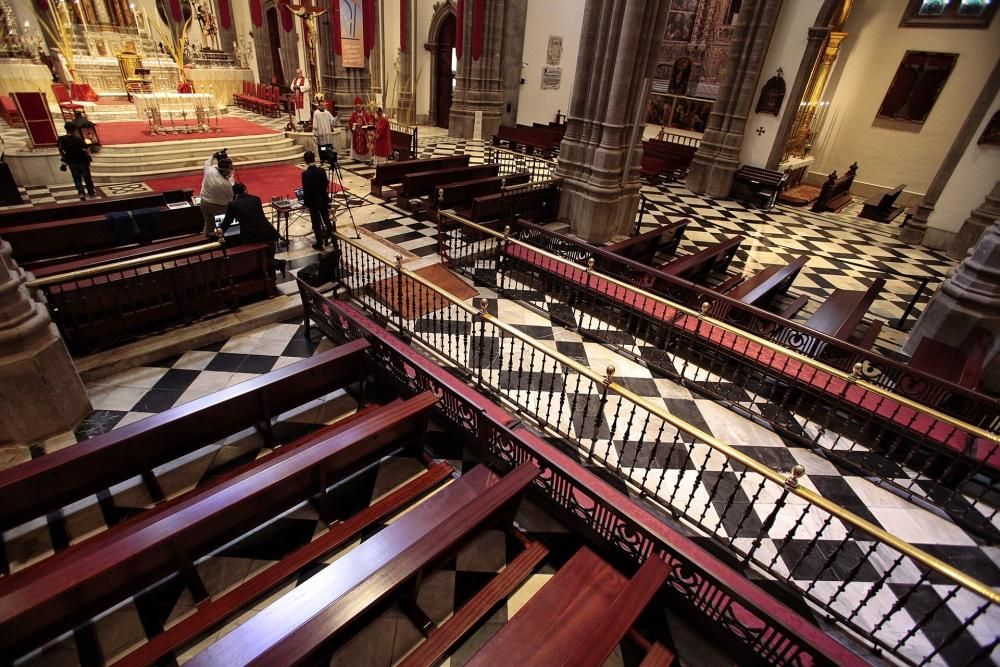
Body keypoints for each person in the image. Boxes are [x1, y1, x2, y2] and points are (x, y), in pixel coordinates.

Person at [218, 183, 282, 272]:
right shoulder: (256, 199)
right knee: (269, 257)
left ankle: (276, 268)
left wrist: (219, 232)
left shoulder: (232, 204)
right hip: (268, 232)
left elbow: (227, 222)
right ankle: (274, 274)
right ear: (245, 190)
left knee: (256, 260)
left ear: (233, 193)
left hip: (251, 236)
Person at [301, 150, 334, 250]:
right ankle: (332, 237)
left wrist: (305, 203)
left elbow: (306, 190)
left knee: (316, 222)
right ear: (314, 159)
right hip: (323, 198)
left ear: (305, 161)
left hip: (313, 201)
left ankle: (319, 242)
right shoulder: (322, 171)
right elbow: (326, 184)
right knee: (326, 220)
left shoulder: (305, 174)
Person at [199, 150, 234, 237]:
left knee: (208, 225)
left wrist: (213, 156)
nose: (232, 170)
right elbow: (231, 197)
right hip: (219, 206)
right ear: (225, 170)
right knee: (222, 227)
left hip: (204, 203)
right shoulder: (225, 184)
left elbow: (207, 163)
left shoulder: (209, 170)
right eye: (231, 168)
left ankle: (205, 241)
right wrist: (231, 181)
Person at [58, 122, 96, 200]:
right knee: (87, 177)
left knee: (76, 178)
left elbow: (61, 150)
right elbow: (86, 149)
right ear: (75, 130)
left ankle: (81, 193)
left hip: (71, 161)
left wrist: (64, 158)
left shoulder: (61, 139)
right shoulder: (78, 139)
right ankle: (91, 192)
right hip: (82, 160)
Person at [348, 96, 373, 163]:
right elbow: (350, 122)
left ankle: (366, 159)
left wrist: (365, 126)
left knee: (365, 146)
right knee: (356, 145)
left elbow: (369, 123)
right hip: (356, 134)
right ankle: (356, 158)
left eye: (359, 107)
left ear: (362, 106)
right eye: (356, 107)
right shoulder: (354, 114)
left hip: (364, 134)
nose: (358, 108)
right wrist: (354, 124)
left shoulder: (365, 114)